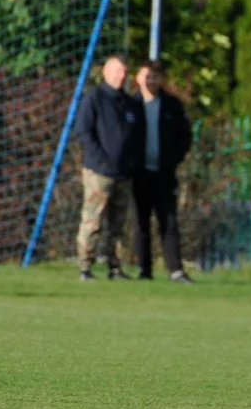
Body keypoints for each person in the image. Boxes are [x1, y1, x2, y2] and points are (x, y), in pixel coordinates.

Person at [73, 55, 144, 281]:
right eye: (116, 71)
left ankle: (115, 267)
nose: (120, 76)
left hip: (123, 173)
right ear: (106, 72)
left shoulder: (130, 104)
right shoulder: (94, 99)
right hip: (99, 173)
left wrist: (131, 162)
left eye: (124, 72)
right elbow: (83, 132)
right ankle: (85, 267)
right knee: (93, 221)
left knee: (118, 225)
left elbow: (136, 136)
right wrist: (101, 160)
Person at [133, 60, 194, 284]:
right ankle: (144, 270)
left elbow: (185, 136)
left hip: (164, 174)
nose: (152, 80)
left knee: (168, 221)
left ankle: (175, 270)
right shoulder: (131, 105)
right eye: (147, 76)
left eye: (156, 76)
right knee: (140, 223)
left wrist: (172, 160)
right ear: (138, 78)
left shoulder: (172, 106)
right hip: (138, 174)